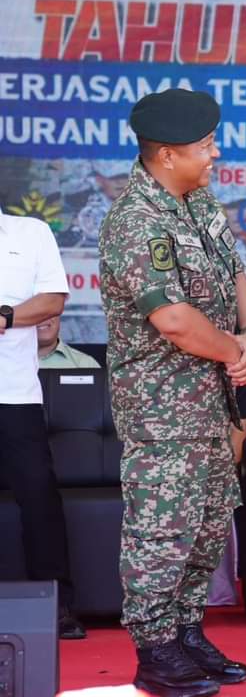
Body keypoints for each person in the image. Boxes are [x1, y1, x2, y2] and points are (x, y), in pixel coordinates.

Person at [98, 88, 246, 697]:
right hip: (163, 409)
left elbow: (236, 271)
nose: (215, 154)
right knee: (161, 531)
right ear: (167, 154)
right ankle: (154, 648)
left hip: (213, 402)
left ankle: (187, 631)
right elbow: (171, 319)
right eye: (206, 146)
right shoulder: (135, 222)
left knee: (207, 525)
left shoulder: (200, 202)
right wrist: (234, 351)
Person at [0, 211, 86, 640]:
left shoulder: (30, 232)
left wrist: (4, 317)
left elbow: (52, 300)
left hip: (15, 393)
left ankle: (57, 605)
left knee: (39, 498)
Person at [36, 316, 101, 369]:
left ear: (59, 315)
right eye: (35, 312)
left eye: (48, 311)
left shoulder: (86, 364)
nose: (43, 317)